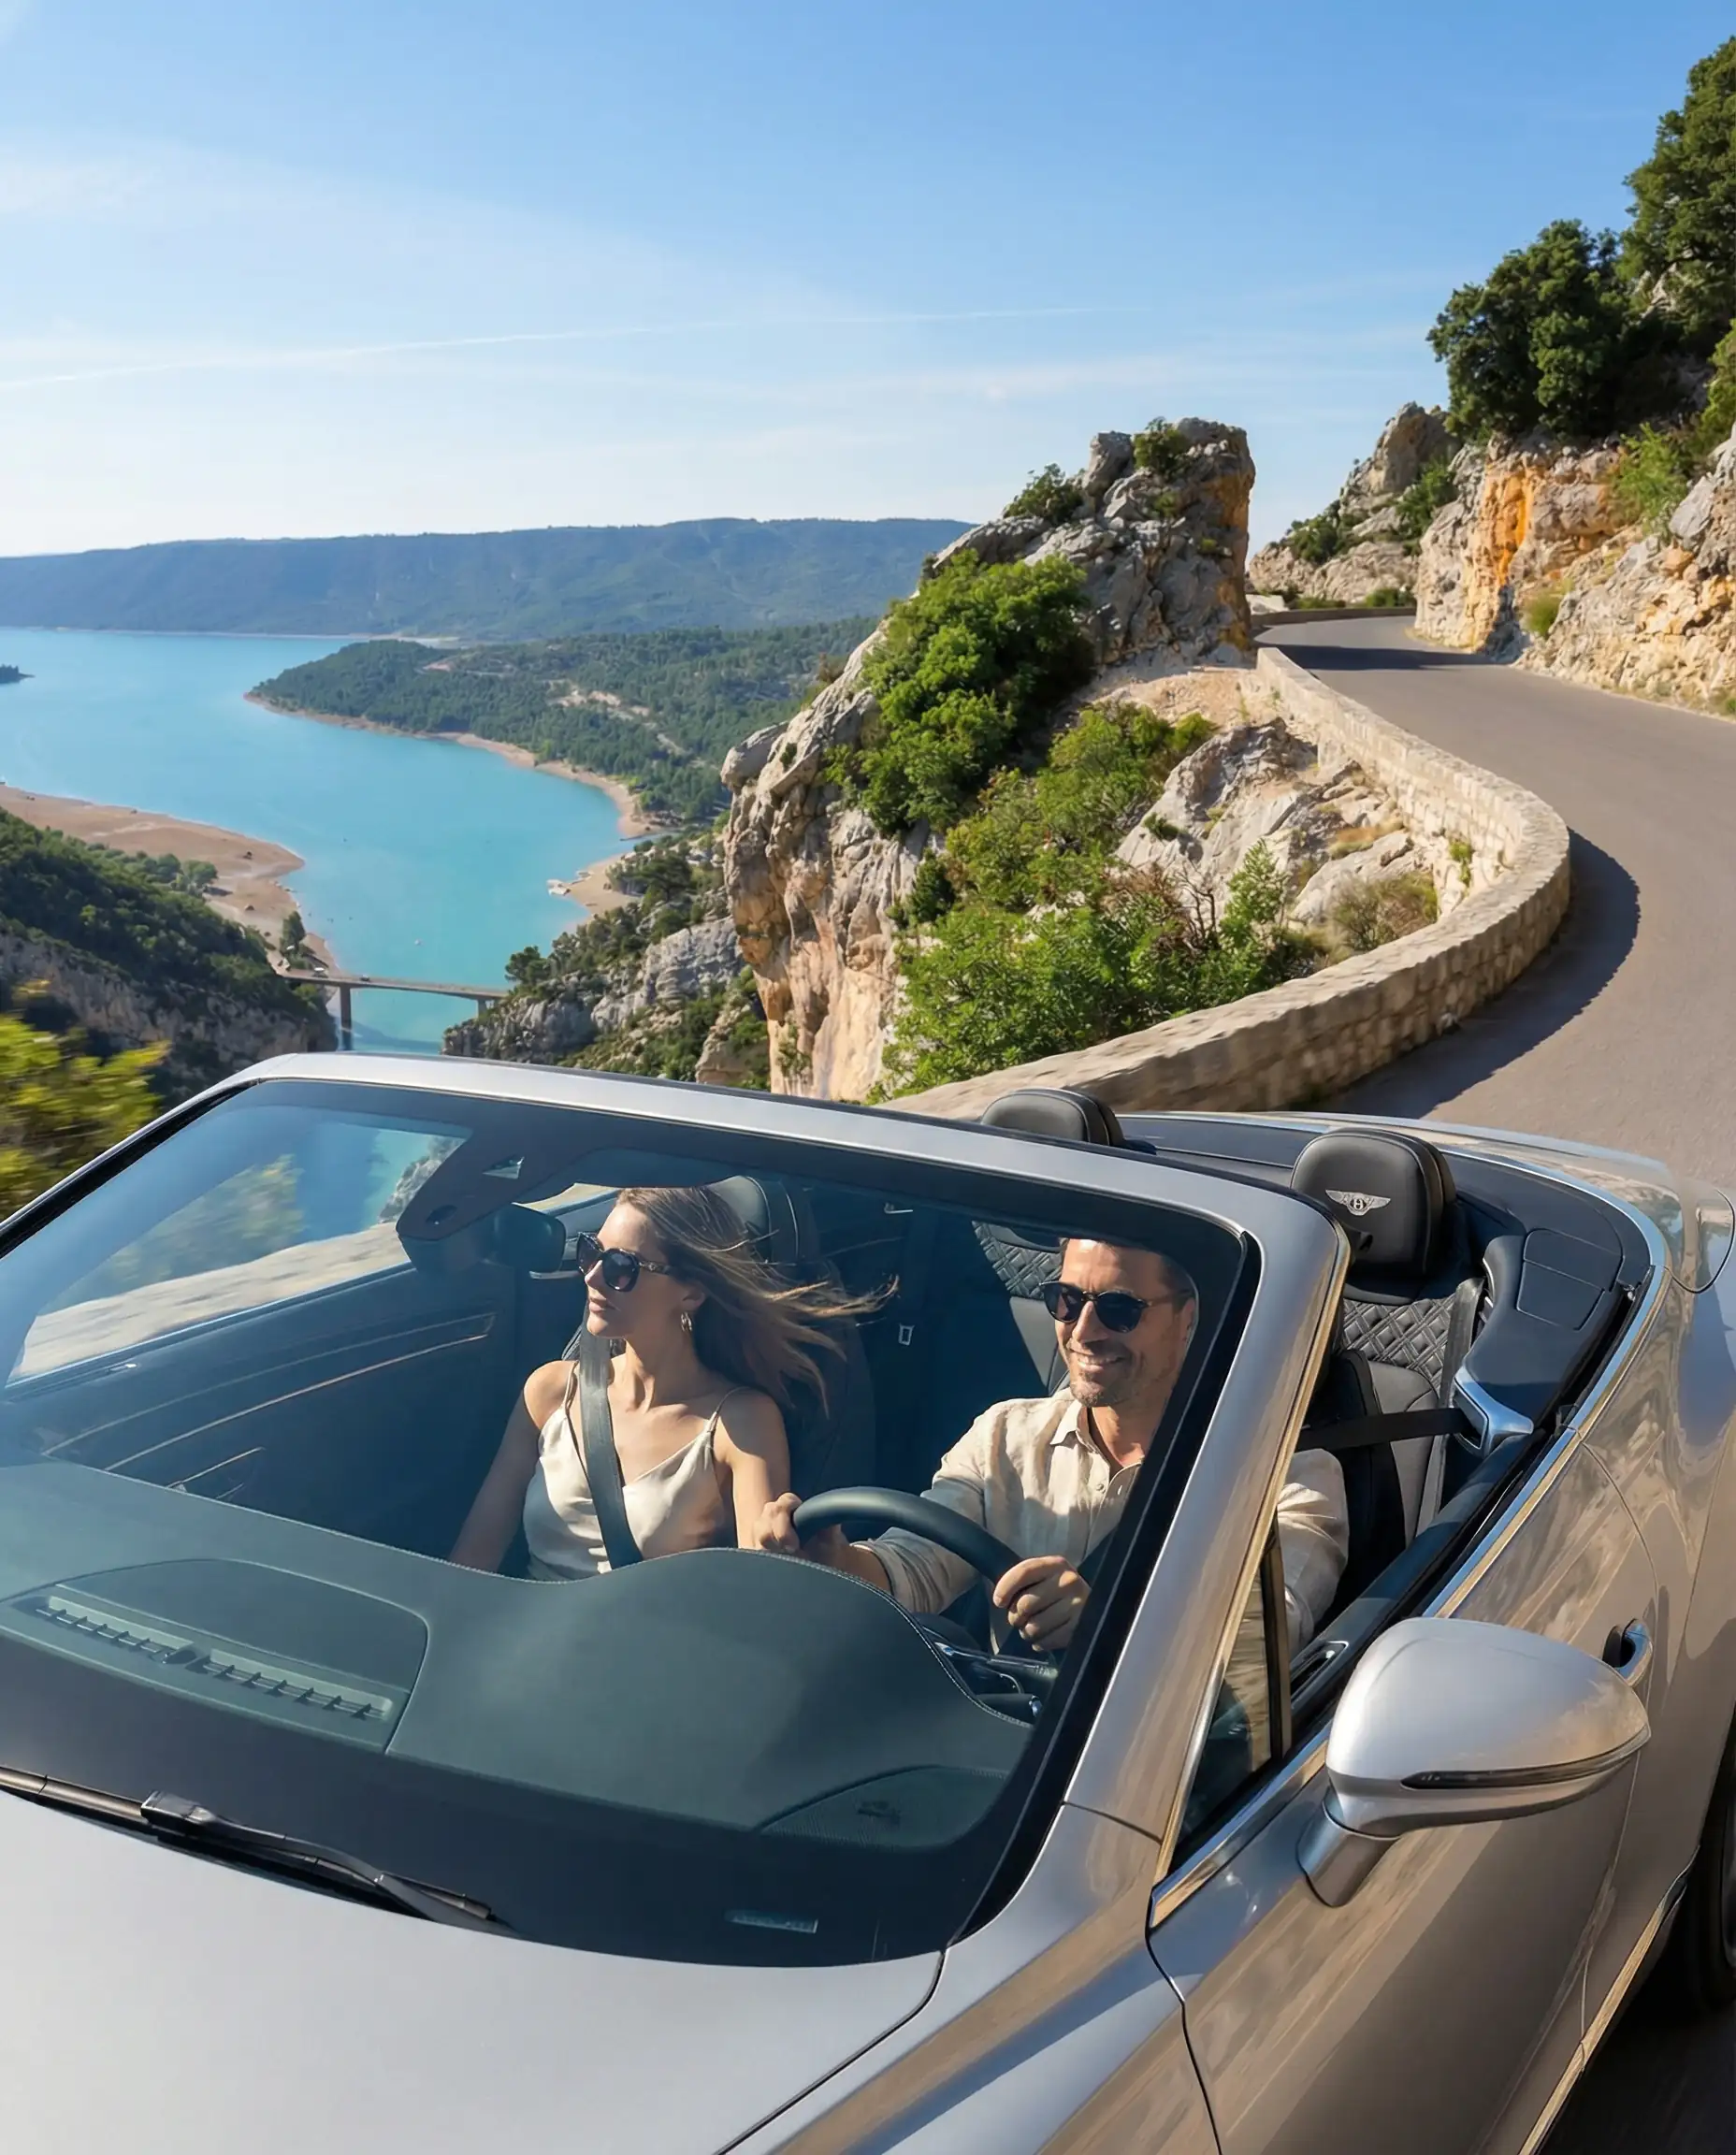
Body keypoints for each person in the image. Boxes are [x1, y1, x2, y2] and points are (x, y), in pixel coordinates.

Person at [756, 1234, 1348, 1655]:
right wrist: (838, 1561)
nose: (1083, 1332)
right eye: (1067, 1301)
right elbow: (914, 1568)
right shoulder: (1007, 1434)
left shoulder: (1281, 1479)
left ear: (1188, 1319)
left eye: (1118, 1309)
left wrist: (1107, 1623)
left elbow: (1272, 1637)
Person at [452, 1185, 849, 1579]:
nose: (592, 1276)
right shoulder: (550, 1391)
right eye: (591, 1252)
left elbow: (759, 1582)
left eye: (621, 1268)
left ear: (692, 1293)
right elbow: (469, 1565)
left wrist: (786, 1546)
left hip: (647, 1639)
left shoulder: (740, 1422)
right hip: (527, 1632)